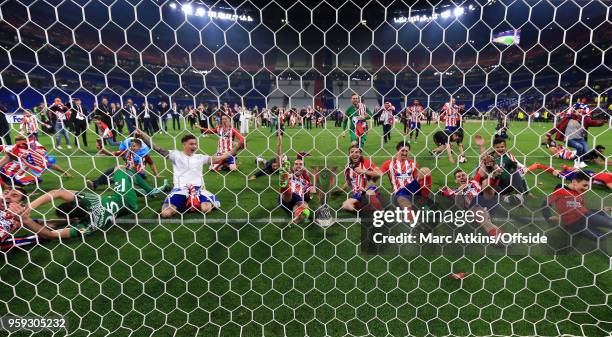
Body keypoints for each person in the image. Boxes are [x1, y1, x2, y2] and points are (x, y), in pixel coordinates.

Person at [25, 166, 167, 238]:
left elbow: (51, 235)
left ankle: (155, 191)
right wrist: (29, 208)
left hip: (125, 206)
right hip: (125, 199)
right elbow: (57, 192)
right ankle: (151, 191)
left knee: (124, 190)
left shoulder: (88, 226)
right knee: (120, 168)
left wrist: (26, 221)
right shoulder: (89, 200)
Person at [135, 130, 234, 217]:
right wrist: (143, 136)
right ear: (184, 145)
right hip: (180, 190)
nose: (194, 146)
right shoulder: (176, 155)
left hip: (198, 190)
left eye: (195, 144)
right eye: (191, 144)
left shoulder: (200, 157)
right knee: (166, 213)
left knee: (206, 209)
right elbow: (156, 148)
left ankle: (192, 203)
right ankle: (186, 204)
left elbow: (219, 158)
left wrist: (237, 148)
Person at [543, 172, 612, 241]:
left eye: (589, 186)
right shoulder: (560, 191)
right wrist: (548, 217)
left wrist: (600, 210)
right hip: (572, 223)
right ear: (574, 182)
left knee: (609, 223)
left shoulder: (579, 193)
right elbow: (545, 204)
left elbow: (582, 209)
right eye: (585, 185)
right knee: (600, 237)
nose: (587, 188)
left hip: (586, 216)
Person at [440, 169, 502, 237]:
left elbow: (482, 170)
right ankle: (499, 237)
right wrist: (460, 189)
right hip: (475, 207)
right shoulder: (455, 191)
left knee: (487, 184)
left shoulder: (474, 181)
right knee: (481, 215)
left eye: (463, 175)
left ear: (467, 176)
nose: (462, 177)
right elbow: (443, 192)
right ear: (456, 180)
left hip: (487, 199)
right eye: (459, 176)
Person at [380, 141, 432, 221]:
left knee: (426, 171)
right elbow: (379, 173)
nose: (405, 153)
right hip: (399, 192)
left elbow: (416, 178)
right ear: (398, 151)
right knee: (402, 198)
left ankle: (423, 201)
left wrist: (421, 175)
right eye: (402, 151)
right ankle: (413, 221)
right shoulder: (388, 163)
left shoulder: (413, 163)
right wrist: (365, 172)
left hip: (412, 188)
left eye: (406, 151)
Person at [88, 138, 160, 190]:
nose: (132, 147)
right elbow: (112, 154)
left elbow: (152, 164)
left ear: (140, 147)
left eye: (134, 146)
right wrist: (102, 149)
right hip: (126, 172)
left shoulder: (144, 155)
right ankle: (95, 184)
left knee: (118, 173)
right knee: (113, 170)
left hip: (138, 175)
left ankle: (103, 181)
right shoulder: (126, 152)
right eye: (131, 146)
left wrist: (156, 174)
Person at [340, 145, 383, 212]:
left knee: (368, 194)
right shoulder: (347, 168)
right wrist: (341, 190)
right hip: (357, 194)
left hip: (369, 189)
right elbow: (349, 181)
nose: (354, 154)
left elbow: (379, 173)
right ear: (349, 154)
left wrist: (363, 171)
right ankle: (364, 211)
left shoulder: (366, 162)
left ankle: (380, 211)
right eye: (352, 152)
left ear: (360, 154)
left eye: (357, 152)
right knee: (345, 205)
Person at [526, 163, 612, 190]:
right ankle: (538, 166)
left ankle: (566, 168)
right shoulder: (608, 179)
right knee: (557, 173)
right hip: (574, 175)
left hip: (588, 173)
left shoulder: (608, 175)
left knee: (575, 171)